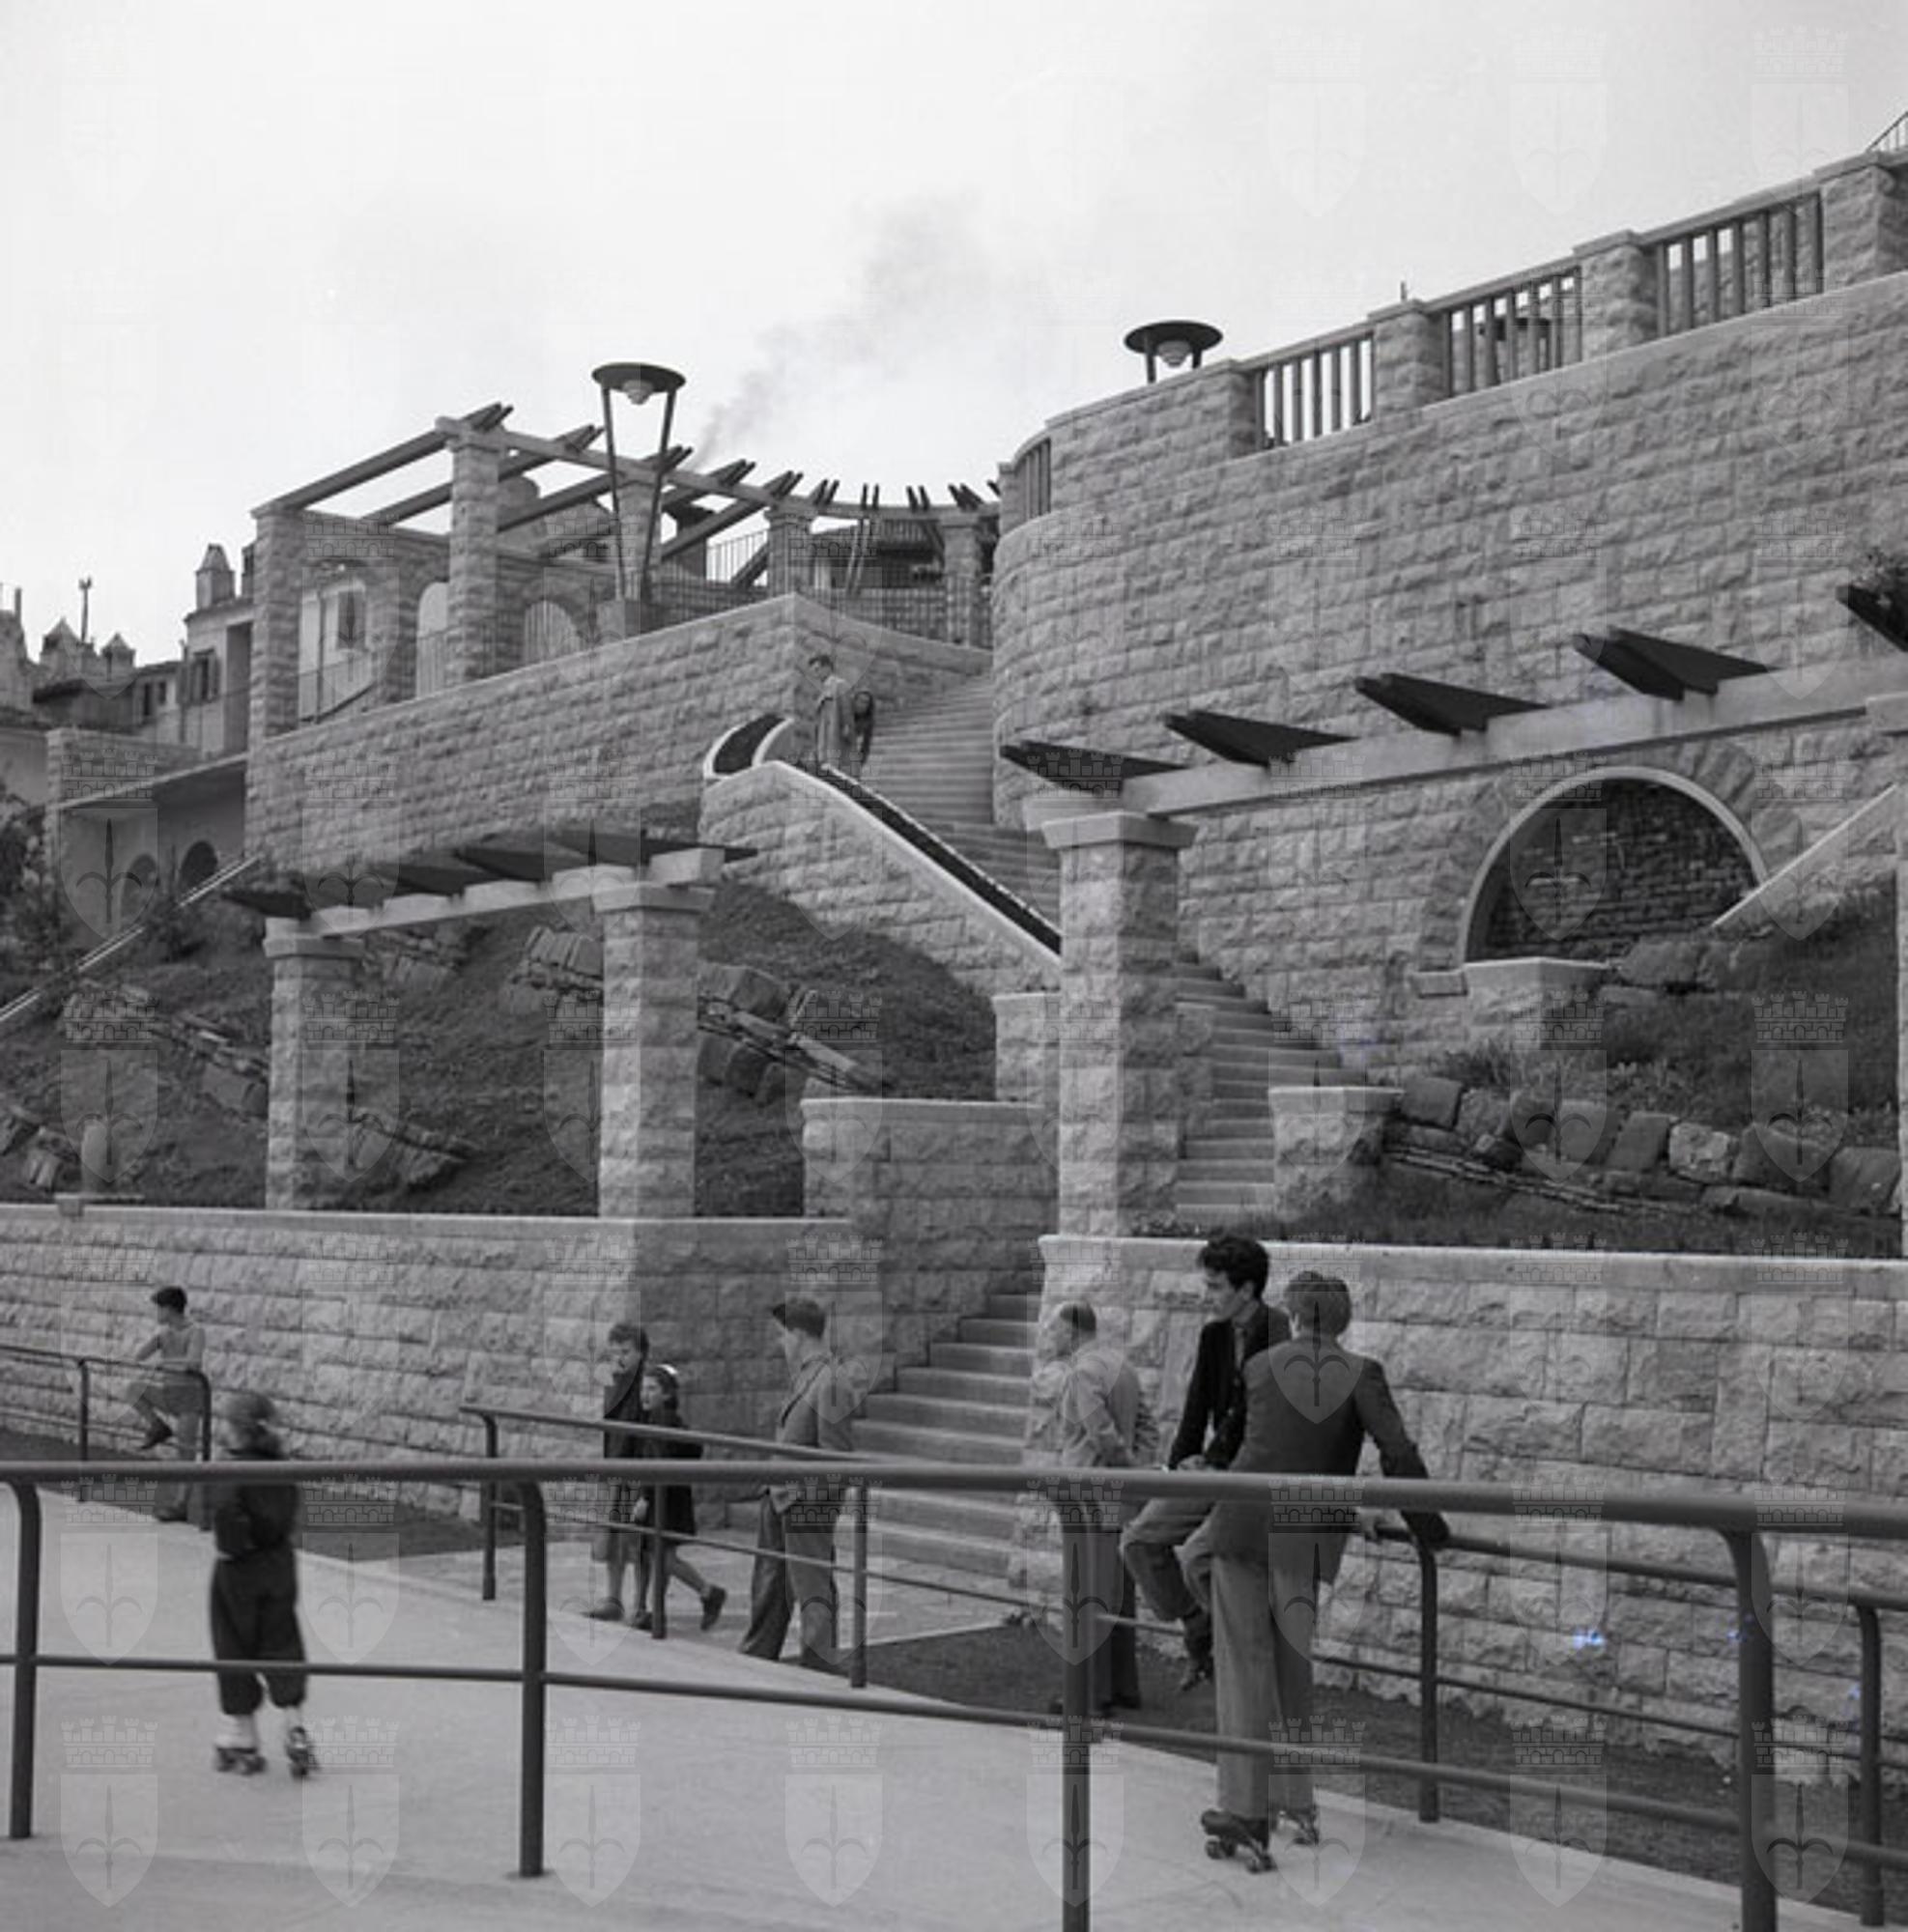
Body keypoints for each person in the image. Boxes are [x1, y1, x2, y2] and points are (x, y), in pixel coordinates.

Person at [1186, 1269, 1448, 1861]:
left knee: (1244, 1670)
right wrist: (1430, 1531)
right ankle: (1296, 1804)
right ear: (1344, 1320)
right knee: (1291, 1669)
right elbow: (1398, 1454)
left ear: (1296, 1315)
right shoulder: (1363, 1373)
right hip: (1304, 1539)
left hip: (1243, 1527)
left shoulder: (1260, 1367)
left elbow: (1262, 1450)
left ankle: (1244, 1811)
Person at [1120, 1233, 1290, 1690]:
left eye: (1216, 1286)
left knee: (1199, 1555)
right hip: (1213, 1469)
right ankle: (1198, 1626)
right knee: (1138, 1541)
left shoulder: (1279, 1333)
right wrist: (1176, 1471)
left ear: (1246, 1289)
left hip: (1252, 1473)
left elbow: (1255, 1413)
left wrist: (1212, 1461)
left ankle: (1234, 1645)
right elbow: (1196, 1407)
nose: (1207, 1295)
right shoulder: (1214, 1334)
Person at [1039, 1300, 1158, 1719]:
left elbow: (1100, 1432)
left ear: (1072, 1331)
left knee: (1087, 1590)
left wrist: (1123, 1465)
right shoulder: (1122, 1367)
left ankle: (1090, 1692)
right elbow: (1147, 1425)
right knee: (1118, 1590)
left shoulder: (1082, 1372)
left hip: (1087, 1496)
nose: (1050, 1337)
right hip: (1117, 1498)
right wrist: (1137, 1472)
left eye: (1055, 1330)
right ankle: (1123, 1685)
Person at [740, 1297, 856, 1672]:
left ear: (799, 1334)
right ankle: (758, 1655)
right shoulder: (810, 1375)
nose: (781, 1344)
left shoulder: (831, 1381)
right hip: (780, 1496)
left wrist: (807, 1502)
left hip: (801, 1502)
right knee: (770, 1585)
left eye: (783, 1335)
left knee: (812, 1585)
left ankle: (818, 1665)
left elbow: (836, 1457)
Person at [209, 1391, 316, 1776]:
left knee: (233, 1645)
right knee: (281, 1639)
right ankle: (295, 1725)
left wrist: (233, 1544)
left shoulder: (230, 1470)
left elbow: (227, 1521)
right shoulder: (281, 1468)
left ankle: (243, 1734)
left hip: (240, 1569)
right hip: (279, 1562)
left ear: (237, 1429)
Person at [628, 1363, 726, 1633]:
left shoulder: (664, 1421)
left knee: (663, 1556)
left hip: (665, 1499)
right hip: (665, 1495)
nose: (645, 1394)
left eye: (652, 1389)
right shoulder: (658, 1419)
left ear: (667, 1394)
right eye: (643, 1389)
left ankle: (707, 1591)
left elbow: (660, 1462)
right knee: (653, 1554)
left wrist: (645, 1497)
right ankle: (652, 1611)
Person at [586, 1322, 648, 1622]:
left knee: (636, 1543)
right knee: (612, 1538)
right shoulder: (613, 1385)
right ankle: (613, 1598)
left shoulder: (647, 1385)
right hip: (613, 1468)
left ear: (641, 1353)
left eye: (625, 1352)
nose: (619, 1358)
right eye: (615, 1352)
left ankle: (641, 1604)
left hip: (638, 1470)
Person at [130, 1285, 207, 1524]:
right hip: (169, 1392)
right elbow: (139, 1356)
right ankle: (158, 1426)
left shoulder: (195, 1331)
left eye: (159, 1308)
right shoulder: (165, 1333)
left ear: (170, 1309)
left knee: (185, 1453)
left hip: (189, 1398)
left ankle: (180, 1506)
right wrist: (157, 1341)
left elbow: (193, 1363)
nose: (156, 1313)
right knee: (134, 1390)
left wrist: (165, 1363)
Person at [809, 653, 850, 770]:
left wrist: (846, 728)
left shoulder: (840, 685)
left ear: (827, 667)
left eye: (817, 669)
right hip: (823, 738)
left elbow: (846, 709)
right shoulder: (822, 689)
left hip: (834, 736)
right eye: (813, 671)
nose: (815, 674)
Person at [847, 687, 876, 775]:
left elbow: (866, 745)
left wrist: (860, 763)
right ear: (855, 700)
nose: (862, 705)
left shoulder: (868, 721)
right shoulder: (845, 712)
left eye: (865, 702)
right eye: (860, 701)